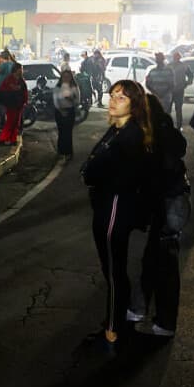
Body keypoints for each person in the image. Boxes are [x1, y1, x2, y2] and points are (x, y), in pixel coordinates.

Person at [81, 80, 152, 347]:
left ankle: (113, 328)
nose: (113, 101)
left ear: (134, 104)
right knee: (109, 267)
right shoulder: (116, 130)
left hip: (114, 206)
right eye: (112, 95)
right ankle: (115, 321)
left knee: (113, 269)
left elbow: (122, 177)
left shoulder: (131, 136)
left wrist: (96, 176)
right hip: (104, 203)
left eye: (121, 98)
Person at [133, 93, 190, 338]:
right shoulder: (160, 128)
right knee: (152, 257)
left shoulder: (157, 133)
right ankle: (137, 309)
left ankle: (165, 323)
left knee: (164, 262)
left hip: (171, 202)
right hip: (170, 201)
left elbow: (151, 173)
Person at [53, 69, 80, 159]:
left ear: (71, 78)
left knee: (68, 132)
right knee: (61, 132)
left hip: (70, 111)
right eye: (64, 76)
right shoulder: (58, 87)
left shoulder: (74, 87)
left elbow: (77, 101)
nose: (66, 78)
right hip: (59, 112)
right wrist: (61, 110)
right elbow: (55, 101)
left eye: (68, 76)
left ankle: (68, 152)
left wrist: (71, 98)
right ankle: (61, 151)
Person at [0, 63, 27, 146]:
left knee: (16, 122)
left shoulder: (21, 79)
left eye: (22, 69)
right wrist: (15, 88)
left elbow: (24, 91)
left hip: (19, 104)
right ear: (16, 69)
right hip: (11, 104)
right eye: (20, 69)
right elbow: (8, 88)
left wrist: (25, 102)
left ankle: (12, 139)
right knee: (10, 122)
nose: (21, 70)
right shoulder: (9, 78)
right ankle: (3, 139)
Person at [168, 52, 194, 129]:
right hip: (170, 91)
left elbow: (191, 75)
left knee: (178, 109)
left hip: (179, 90)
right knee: (168, 109)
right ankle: (168, 125)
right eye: (175, 56)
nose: (176, 58)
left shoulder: (184, 66)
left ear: (179, 57)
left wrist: (187, 83)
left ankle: (179, 126)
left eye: (177, 57)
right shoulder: (169, 66)